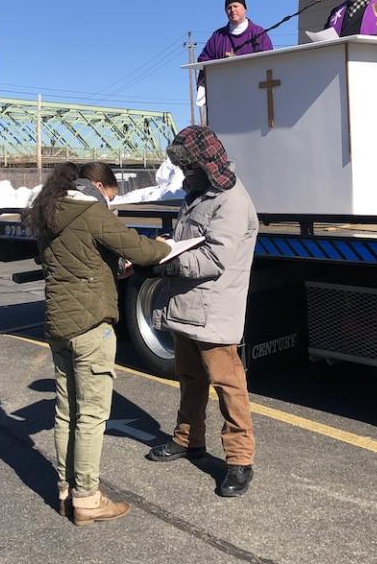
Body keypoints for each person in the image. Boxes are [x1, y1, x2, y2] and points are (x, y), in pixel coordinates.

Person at [24, 162, 170, 526]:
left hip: (58, 322)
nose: (110, 201)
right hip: (90, 323)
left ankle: (65, 490)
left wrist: (107, 263)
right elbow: (141, 250)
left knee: (65, 412)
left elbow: (62, 259)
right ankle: (87, 498)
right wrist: (163, 245)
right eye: (111, 195)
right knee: (91, 416)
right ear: (99, 186)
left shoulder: (47, 212)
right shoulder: (90, 211)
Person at [148, 125, 258, 497]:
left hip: (213, 310)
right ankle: (187, 438)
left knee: (229, 386)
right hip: (187, 306)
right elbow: (191, 243)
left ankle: (240, 460)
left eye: (188, 165)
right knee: (190, 378)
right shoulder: (199, 194)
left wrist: (167, 259)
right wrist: (168, 247)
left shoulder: (231, 200)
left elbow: (214, 257)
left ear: (205, 162)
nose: (183, 172)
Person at [197, 0, 273, 91]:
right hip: (224, 91)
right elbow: (203, 60)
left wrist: (238, 62)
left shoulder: (259, 34)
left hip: (254, 90)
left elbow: (268, 61)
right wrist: (222, 64)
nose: (232, 10)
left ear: (245, 8)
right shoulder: (218, 37)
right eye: (229, 8)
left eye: (235, 6)